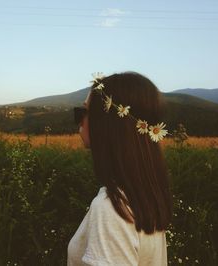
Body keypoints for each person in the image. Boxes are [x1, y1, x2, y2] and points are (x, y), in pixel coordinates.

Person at [67, 72, 173, 265]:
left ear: (106, 123)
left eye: (84, 112)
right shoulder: (142, 197)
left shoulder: (111, 209)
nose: (79, 120)